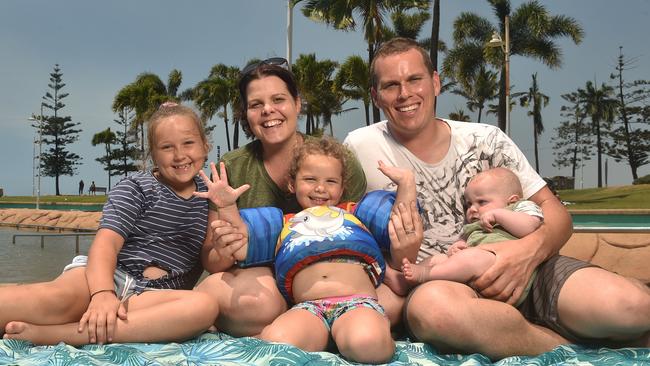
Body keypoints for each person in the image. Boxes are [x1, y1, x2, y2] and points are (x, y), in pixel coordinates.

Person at [344, 37, 650, 359]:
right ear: (376, 97)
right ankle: (568, 348)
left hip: (529, 267)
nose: (405, 94)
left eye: (414, 79)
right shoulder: (360, 148)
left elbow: (557, 215)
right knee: (434, 312)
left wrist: (525, 254)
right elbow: (337, 222)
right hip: (445, 283)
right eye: (391, 85)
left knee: (632, 306)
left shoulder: (484, 138)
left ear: (435, 82)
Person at [1, 102, 220, 346]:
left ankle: (57, 335)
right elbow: (106, 244)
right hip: (107, 276)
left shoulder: (212, 196)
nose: (179, 155)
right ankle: (75, 317)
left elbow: (213, 256)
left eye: (188, 143)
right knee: (56, 301)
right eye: (167, 147)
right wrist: (103, 293)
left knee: (204, 306)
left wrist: (227, 209)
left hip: (152, 296)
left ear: (205, 145)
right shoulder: (136, 187)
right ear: (153, 155)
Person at [193, 59, 378, 337]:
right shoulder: (232, 167)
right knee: (257, 304)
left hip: (330, 280)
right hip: (262, 283)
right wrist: (225, 246)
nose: (268, 110)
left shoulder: (336, 160)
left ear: (297, 104)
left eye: (278, 99)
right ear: (247, 114)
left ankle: (319, 322)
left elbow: (363, 235)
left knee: (386, 299)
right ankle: (298, 324)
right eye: (256, 104)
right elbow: (212, 260)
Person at [196, 137, 419, 363]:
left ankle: (370, 333)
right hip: (308, 309)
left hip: (357, 302)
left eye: (331, 181)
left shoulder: (355, 213)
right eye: (310, 179)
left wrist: (407, 185)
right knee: (275, 345)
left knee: (368, 345)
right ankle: (329, 339)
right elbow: (241, 242)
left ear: (343, 188)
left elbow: (401, 222)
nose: (320, 188)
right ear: (292, 184)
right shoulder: (282, 224)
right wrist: (226, 206)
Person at [402, 168, 543, 308]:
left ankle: (425, 274)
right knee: (438, 259)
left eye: (482, 202)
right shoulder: (475, 225)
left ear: (512, 201)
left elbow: (530, 226)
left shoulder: (520, 207)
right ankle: (406, 281)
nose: (472, 209)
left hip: (506, 271)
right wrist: (457, 247)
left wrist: (498, 215)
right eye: (469, 204)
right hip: (476, 274)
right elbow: (464, 240)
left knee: (472, 257)